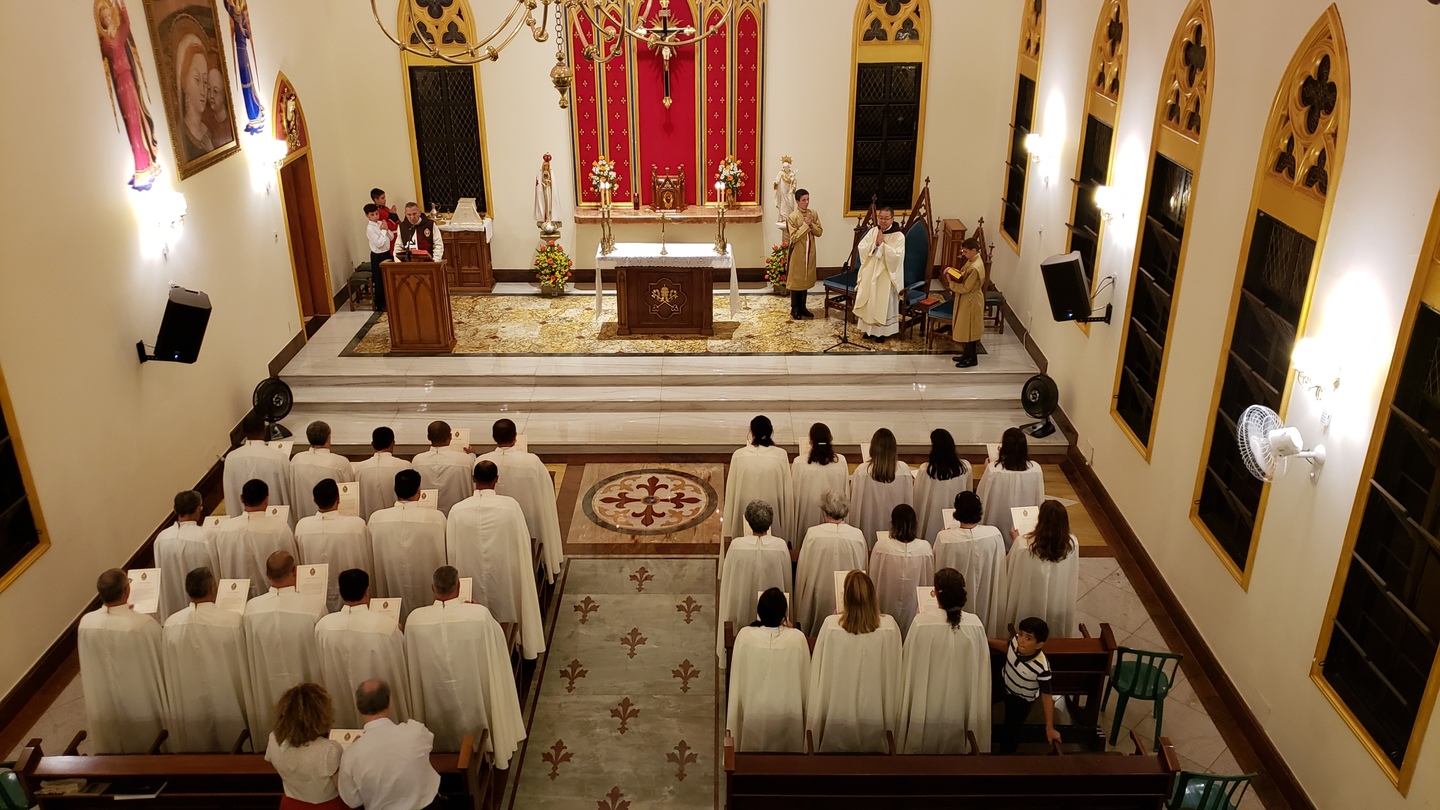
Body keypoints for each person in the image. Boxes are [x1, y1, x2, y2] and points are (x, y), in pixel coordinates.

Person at [405, 566, 525, 765]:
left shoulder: (414, 620)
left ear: (432, 589)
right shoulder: (478, 615)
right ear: (459, 587)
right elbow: (498, 641)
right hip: (473, 699)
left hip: (435, 711)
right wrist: (475, 608)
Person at [447, 461, 545, 660]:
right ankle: (516, 644)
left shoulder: (457, 510)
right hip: (505, 572)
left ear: (473, 479)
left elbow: (452, 550)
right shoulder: (510, 506)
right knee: (507, 604)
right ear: (497, 479)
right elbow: (523, 542)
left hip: (469, 572)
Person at [806, 571, 902, 753]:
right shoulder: (889, 627)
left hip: (838, 718)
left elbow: (819, 672)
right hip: (877, 720)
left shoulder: (831, 625)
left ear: (845, 598)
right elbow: (896, 672)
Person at [898, 568, 991, 753]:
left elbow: (909, 663)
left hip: (927, 702)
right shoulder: (975, 624)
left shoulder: (922, 623)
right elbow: (980, 671)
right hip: (961, 702)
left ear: (936, 594)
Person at [162, 566, 252, 752]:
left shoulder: (171, 624)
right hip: (227, 694)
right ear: (213, 588)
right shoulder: (232, 621)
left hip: (189, 698)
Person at [78, 568, 168, 753]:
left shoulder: (86, 623)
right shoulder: (141, 624)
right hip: (139, 699)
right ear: (127, 590)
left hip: (104, 700)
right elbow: (162, 656)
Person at [245, 551, 327, 752]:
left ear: (267, 574)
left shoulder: (251, 609)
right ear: (295, 572)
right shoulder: (313, 606)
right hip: (305, 681)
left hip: (268, 683)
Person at [315, 569, 412, 729]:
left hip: (340, 707)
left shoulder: (323, 627)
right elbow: (400, 666)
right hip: (380, 712)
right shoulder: (386, 626)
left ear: (340, 592)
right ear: (367, 591)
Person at [477, 418, 564, 583]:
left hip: (493, 531)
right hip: (529, 525)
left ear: (493, 437)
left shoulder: (481, 462)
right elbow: (546, 495)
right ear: (515, 437)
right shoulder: (531, 461)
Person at [726, 587, 810, 752]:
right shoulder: (798, 639)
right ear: (783, 614)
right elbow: (806, 684)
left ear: (759, 612)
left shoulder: (745, 636)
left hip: (752, 714)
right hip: (788, 715)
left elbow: (737, 681)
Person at [338, 679, 441, 810]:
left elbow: (353, 801)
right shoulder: (415, 731)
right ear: (389, 702)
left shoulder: (350, 755)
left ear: (358, 708)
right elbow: (428, 745)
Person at [94, 0, 162, 190]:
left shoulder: (119, 35)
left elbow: (126, 25)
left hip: (129, 79)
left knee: (137, 119)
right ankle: (141, 165)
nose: (108, 19)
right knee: (131, 125)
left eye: (109, 16)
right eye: (104, 18)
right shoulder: (106, 42)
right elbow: (104, 51)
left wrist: (122, 6)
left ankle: (147, 162)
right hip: (120, 82)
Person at [717, 501, 793, 664]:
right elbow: (787, 581)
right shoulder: (780, 546)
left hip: (741, 601)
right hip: (774, 612)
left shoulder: (737, 545)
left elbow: (728, 579)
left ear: (748, 522)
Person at [369, 469, 448, 625]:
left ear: (395, 490)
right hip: (427, 585)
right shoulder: (436, 518)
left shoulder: (376, 519)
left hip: (390, 586)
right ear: (419, 491)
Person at [1000, 500, 1080, 639]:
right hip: (1056, 601)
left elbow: (1009, 569)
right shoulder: (1072, 544)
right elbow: (1070, 575)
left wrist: (1015, 540)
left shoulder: (1023, 543)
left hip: (1028, 601)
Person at [793, 490, 868, 636]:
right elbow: (863, 567)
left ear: (824, 511)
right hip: (848, 593)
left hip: (818, 590)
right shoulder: (857, 535)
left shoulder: (813, 534)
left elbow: (803, 571)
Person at [933, 491, 1006, 636]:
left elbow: (937, 566)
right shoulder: (994, 534)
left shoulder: (945, 538)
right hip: (986, 598)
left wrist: (944, 534)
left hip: (954, 600)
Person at [265, 683, 347, 810]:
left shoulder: (274, 739)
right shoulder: (328, 750)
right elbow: (342, 789)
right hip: (326, 806)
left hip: (290, 803)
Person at [296, 479, 373, 613]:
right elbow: (368, 558)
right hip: (353, 594)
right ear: (339, 499)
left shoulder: (302, 527)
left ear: (314, 500)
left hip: (313, 593)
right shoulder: (356, 525)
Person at [989, 617, 1060, 753]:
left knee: (1011, 731)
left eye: (1028, 638)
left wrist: (1049, 727)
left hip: (1020, 700)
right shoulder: (1016, 641)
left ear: (1039, 645)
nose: (1021, 640)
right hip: (1003, 682)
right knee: (981, 702)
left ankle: (1004, 758)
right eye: (1021, 634)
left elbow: (1046, 697)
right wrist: (986, 641)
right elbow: (1007, 646)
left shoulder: (1042, 668)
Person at [218, 478, 298, 598]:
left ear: (241, 498)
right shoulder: (279, 528)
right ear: (266, 500)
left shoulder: (224, 529)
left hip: (235, 597)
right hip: (272, 598)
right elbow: (292, 564)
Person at [723, 415, 794, 547]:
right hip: (773, 519)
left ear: (752, 432)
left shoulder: (739, 455)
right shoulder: (780, 455)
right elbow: (787, 496)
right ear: (771, 432)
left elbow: (731, 497)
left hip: (743, 515)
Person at [868, 504, 935, 637]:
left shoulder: (881, 547)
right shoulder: (925, 548)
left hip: (885, 604)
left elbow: (873, 578)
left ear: (893, 524)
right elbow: (929, 580)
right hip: (914, 608)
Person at [153, 489, 219, 621]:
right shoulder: (206, 537)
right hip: (204, 607)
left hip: (173, 609)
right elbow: (217, 571)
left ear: (175, 510)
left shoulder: (161, 538)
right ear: (197, 509)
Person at [976, 427, 1045, 545]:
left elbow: (982, 497)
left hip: (996, 526)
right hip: (1025, 530)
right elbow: (1039, 499)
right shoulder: (1036, 469)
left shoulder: (994, 470)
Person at [848, 428, 913, 549]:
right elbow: (909, 502)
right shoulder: (903, 470)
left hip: (868, 529)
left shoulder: (862, 471)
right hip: (896, 531)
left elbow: (855, 506)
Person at [223, 411, 293, 517]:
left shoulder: (230, 458)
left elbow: (230, 494)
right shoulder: (278, 458)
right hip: (274, 520)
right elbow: (288, 491)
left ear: (244, 432)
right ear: (264, 430)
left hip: (241, 521)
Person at [790, 423, 847, 547]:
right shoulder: (841, 461)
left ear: (810, 441)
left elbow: (794, 496)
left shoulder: (800, 463)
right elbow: (845, 493)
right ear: (830, 439)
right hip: (834, 516)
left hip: (808, 515)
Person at [853, 206, 905, 342]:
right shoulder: (874, 231)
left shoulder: (899, 236)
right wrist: (875, 244)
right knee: (869, 299)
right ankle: (868, 330)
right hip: (871, 271)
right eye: (881, 218)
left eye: (886, 218)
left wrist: (882, 245)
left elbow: (897, 257)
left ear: (892, 219)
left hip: (886, 274)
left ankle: (882, 332)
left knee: (882, 301)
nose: (883, 221)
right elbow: (862, 247)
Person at [912, 428, 972, 543]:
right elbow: (968, 493)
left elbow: (917, 499)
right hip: (956, 519)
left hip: (931, 519)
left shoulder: (926, 470)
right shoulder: (965, 468)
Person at [291, 421, 356, 523]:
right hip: (336, 522)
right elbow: (350, 490)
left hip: (303, 522)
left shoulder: (296, 460)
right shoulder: (340, 463)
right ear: (328, 439)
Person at [411, 420, 475, 515]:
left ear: (428, 437)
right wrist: (472, 455)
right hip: (459, 514)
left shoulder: (417, 461)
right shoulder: (465, 460)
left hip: (426, 515)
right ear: (450, 436)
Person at [222, 0, 266, 134]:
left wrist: (242, 26)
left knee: (247, 78)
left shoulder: (241, 16)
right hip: (239, 47)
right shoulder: (232, 12)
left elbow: (247, 34)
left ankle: (255, 114)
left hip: (243, 48)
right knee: (245, 80)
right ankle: (253, 115)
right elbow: (227, 6)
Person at [354, 427, 412, 521]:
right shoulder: (404, 466)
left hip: (369, 523)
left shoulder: (359, 468)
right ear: (393, 443)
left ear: (372, 444)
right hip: (398, 521)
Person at [947, 237, 987, 368]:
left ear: (973, 250)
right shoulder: (971, 260)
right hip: (967, 299)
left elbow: (965, 287)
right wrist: (951, 271)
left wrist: (950, 283)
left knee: (970, 330)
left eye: (965, 251)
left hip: (972, 301)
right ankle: (966, 354)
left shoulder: (976, 267)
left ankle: (972, 358)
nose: (963, 254)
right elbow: (962, 274)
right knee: (966, 328)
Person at [176, 34, 214, 160]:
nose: (203, 91)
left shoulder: (207, 130)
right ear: (184, 82)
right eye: (197, 80)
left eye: (205, 81)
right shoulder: (182, 134)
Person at [786, 189, 822, 319]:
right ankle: (794, 308)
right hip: (798, 253)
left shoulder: (813, 213)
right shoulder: (792, 217)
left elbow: (819, 232)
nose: (806, 202)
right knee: (797, 280)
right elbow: (794, 237)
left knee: (805, 278)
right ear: (797, 201)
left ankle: (803, 306)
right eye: (803, 200)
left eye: (808, 199)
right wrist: (805, 225)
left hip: (809, 252)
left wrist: (811, 223)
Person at [365, 203, 393, 312]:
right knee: (379, 280)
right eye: (372, 215)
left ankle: (388, 300)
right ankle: (380, 304)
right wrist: (383, 231)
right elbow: (379, 244)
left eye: (376, 213)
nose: (376, 216)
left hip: (386, 253)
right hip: (377, 255)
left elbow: (390, 237)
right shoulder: (369, 229)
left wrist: (386, 229)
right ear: (367, 216)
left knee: (387, 279)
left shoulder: (380, 223)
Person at [203, 66, 231, 145]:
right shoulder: (206, 120)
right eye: (209, 89)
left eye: (215, 91)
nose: (211, 95)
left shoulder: (230, 123)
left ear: (223, 95)